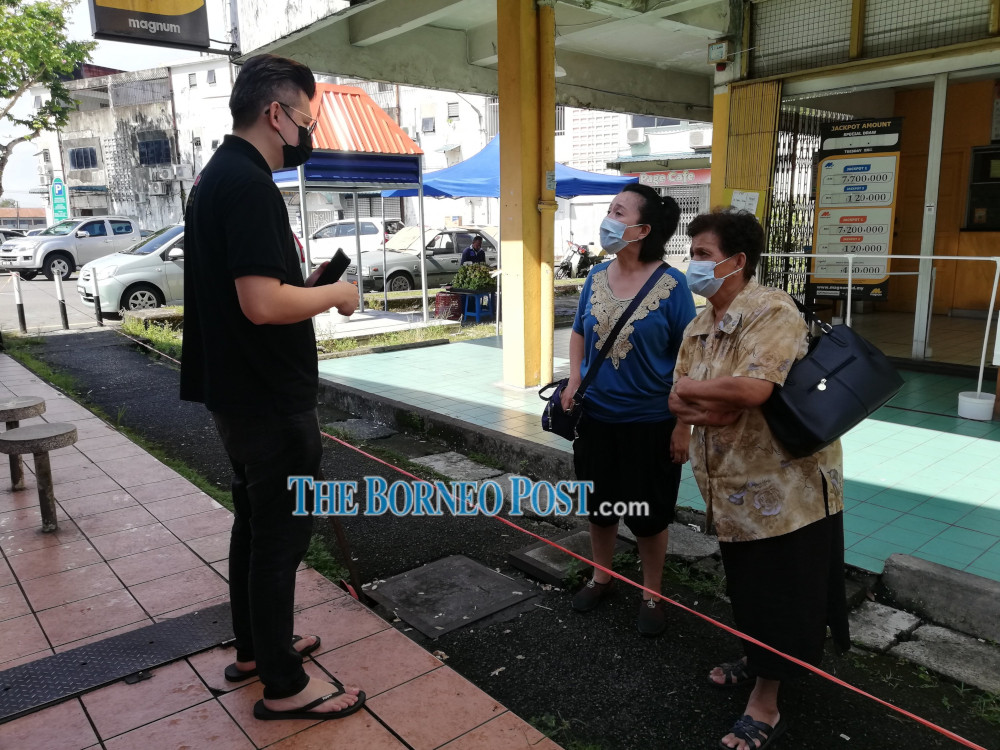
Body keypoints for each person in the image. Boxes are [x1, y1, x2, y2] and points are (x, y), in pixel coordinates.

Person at [180, 53, 365, 722]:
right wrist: (336, 294)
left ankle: (259, 651)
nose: (308, 131)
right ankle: (285, 686)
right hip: (268, 399)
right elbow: (260, 304)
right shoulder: (250, 184)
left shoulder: (215, 176)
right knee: (279, 542)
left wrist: (305, 288)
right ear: (276, 113)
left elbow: (249, 295)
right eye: (307, 117)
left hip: (236, 392)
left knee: (255, 526)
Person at [668, 209, 849, 750]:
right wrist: (699, 409)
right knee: (748, 583)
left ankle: (765, 705)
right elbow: (678, 393)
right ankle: (756, 657)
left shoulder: (771, 309)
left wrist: (703, 400)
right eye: (692, 254)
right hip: (730, 491)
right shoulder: (698, 325)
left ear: (737, 261)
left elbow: (754, 391)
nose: (692, 265)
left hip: (783, 489)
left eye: (701, 255)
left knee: (779, 590)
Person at [563, 183, 696, 637]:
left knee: (648, 515)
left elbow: (690, 359)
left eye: (617, 211)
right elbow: (581, 330)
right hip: (598, 419)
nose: (608, 218)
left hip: (652, 425)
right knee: (600, 508)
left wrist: (684, 426)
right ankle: (603, 576)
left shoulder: (672, 285)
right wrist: (576, 377)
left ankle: (652, 593)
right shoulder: (596, 276)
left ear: (641, 229)